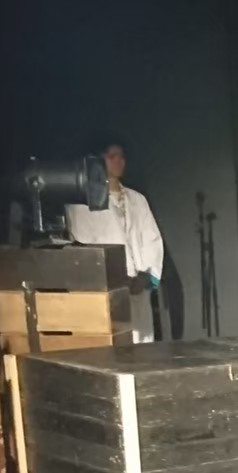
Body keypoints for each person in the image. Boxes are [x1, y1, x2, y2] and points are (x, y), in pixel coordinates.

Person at [65, 139, 163, 343]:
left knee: (142, 343)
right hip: (107, 290)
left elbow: (152, 239)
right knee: (114, 344)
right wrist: (117, 277)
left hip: (138, 287)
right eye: (111, 156)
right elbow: (83, 244)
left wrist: (146, 277)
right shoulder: (82, 204)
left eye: (121, 156)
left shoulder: (137, 200)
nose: (118, 161)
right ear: (97, 160)